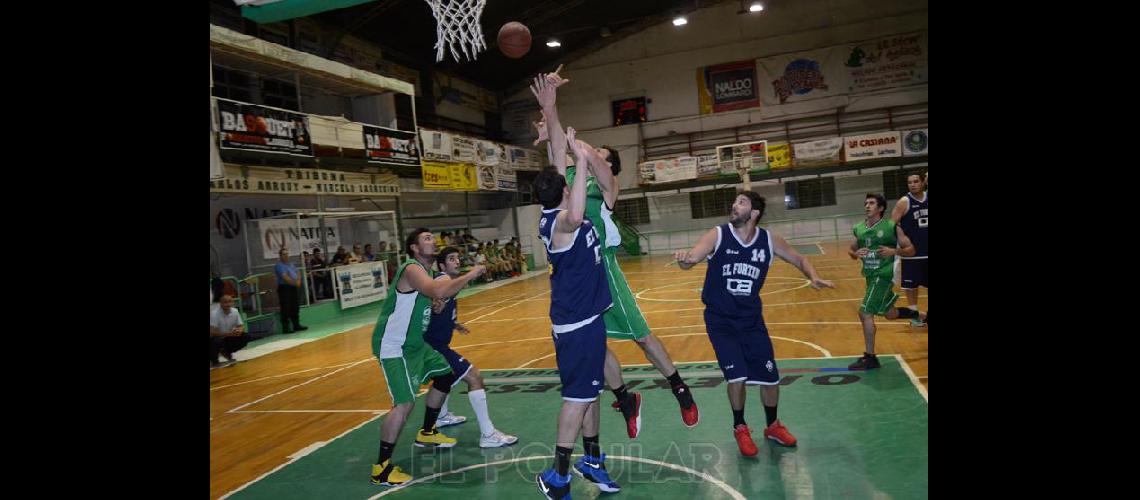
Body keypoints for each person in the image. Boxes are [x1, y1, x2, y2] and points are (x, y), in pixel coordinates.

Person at [533, 69, 698, 435]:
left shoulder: (605, 188)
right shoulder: (571, 186)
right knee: (596, 343)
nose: (593, 157)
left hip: (601, 266)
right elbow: (560, 151)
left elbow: (577, 152)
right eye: (592, 155)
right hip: (573, 274)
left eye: (601, 157)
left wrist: (583, 150)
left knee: (640, 335)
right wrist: (550, 109)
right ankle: (625, 398)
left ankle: (679, 387)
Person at [675, 191, 834, 455]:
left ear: (755, 212)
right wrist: (685, 260)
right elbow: (693, 258)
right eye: (735, 201)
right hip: (721, 320)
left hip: (751, 320)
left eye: (741, 202)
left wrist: (813, 275)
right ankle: (740, 427)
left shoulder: (769, 240)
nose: (734, 206)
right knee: (736, 376)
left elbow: (800, 258)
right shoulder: (719, 234)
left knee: (770, 377)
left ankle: (772, 425)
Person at [535, 130, 621, 498]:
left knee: (590, 393)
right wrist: (583, 160)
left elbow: (557, 162)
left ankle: (593, 460)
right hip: (576, 325)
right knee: (578, 397)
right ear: (565, 191)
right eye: (568, 179)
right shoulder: (561, 223)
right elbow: (576, 214)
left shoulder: (554, 206)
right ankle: (557, 476)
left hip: (588, 318)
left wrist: (555, 122)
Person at [369, 228, 487, 487]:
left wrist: (437, 308)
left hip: (415, 345)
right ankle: (381, 468)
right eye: (426, 238)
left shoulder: (430, 273)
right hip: (394, 346)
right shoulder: (411, 269)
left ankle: (427, 431)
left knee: (446, 374)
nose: (432, 241)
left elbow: (434, 299)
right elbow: (437, 290)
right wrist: (470, 274)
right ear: (413, 247)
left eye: (433, 238)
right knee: (404, 403)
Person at [423, 246, 519, 447]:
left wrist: (453, 323)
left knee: (444, 378)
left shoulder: (447, 284)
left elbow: (437, 308)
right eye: (451, 259)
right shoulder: (443, 280)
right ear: (442, 265)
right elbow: (437, 298)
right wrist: (473, 273)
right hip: (434, 347)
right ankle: (488, 434)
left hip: (433, 343)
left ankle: (440, 416)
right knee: (474, 377)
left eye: (458, 258)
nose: (457, 261)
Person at [848, 193, 926, 370]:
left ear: (881, 208)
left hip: (884, 275)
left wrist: (894, 252)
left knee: (865, 313)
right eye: (866, 203)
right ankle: (921, 316)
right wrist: (855, 254)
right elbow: (851, 250)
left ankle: (870, 357)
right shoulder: (859, 228)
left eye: (872, 203)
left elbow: (911, 249)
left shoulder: (891, 227)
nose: (867, 206)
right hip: (870, 275)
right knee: (889, 313)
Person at [890, 172, 928, 326]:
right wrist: (902, 239)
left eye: (916, 181)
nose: (913, 184)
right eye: (910, 182)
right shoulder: (904, 202)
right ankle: (914, 315)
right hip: (912, 254)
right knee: (911, 287)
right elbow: (891, 224)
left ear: (923, 182)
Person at [274, 248, 307, 334]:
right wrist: (295, 282)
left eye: (287, 254)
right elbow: (285, 278)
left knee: (295, 306)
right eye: (284, 254)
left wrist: (298, 281)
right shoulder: (279, 266)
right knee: (286, 307)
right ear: (280, 256)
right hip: (284, 288)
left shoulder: (291, 264)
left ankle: (296, 325)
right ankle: (286, 328)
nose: (286, 256)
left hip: (293, 288)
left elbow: (298, 273)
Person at [210, 294, 248, 368]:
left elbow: (241, 325)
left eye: (230, 302)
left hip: (227, 337)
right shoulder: (214, 314)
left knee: (246, 336)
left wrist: (239, 331)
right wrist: (228, 334)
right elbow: (212, 332)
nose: (228, 304)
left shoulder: (235, 311)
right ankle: (214, 361)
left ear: (233, 303)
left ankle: (226, 351)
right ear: (220, 303)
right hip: (215, 338)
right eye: (225, 302)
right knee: (216, 341)